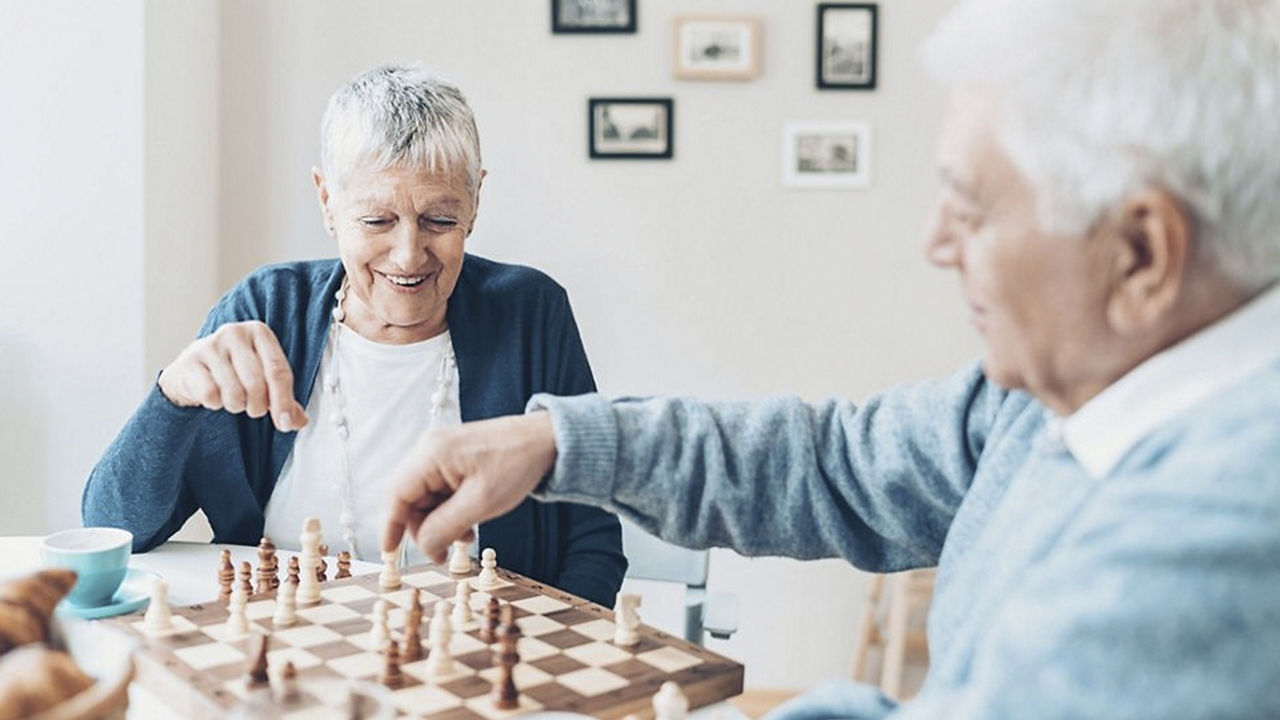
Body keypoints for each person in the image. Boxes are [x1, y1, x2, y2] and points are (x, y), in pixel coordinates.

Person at [380, 0, 1280, 716]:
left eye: (970, 208)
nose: (935, 242)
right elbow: (835, 461)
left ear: (1142, 256)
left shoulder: (1231, 522)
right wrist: (554, 444)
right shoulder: (1061, 392)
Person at [82, 64, 626, 607]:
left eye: (439, 219)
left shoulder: (531, 314)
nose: (409, 255)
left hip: (476, 668)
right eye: (376, 221)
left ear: (475, 203)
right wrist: (172, 397)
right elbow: (117, 527)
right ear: (327, 201)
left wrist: (541, 660)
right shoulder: (266, 309)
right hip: (285, 657)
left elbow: (592, 542)